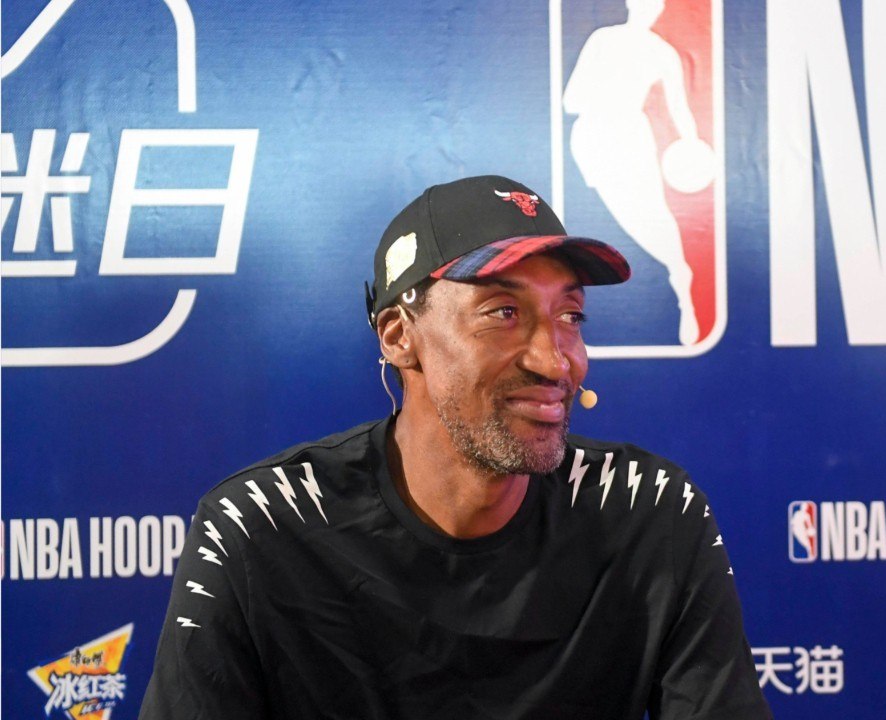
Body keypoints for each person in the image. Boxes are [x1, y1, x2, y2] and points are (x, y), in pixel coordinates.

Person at [140, 175, 771, 719]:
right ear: (398, 335)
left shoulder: (649, 512)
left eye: (570, 316)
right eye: (503, 312)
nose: (556, 360)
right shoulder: (260, 528)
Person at [564, 0, 702, 346]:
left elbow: (680, 108)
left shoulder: (662, 52)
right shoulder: (603, 40)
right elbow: (571, 100)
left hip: (630, 138)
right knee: (614, 217)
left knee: (651, 213)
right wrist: (605, 94)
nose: (648, 8)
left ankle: (680, 277)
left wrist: (692, 145)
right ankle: (672, 272)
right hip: (591, 138)